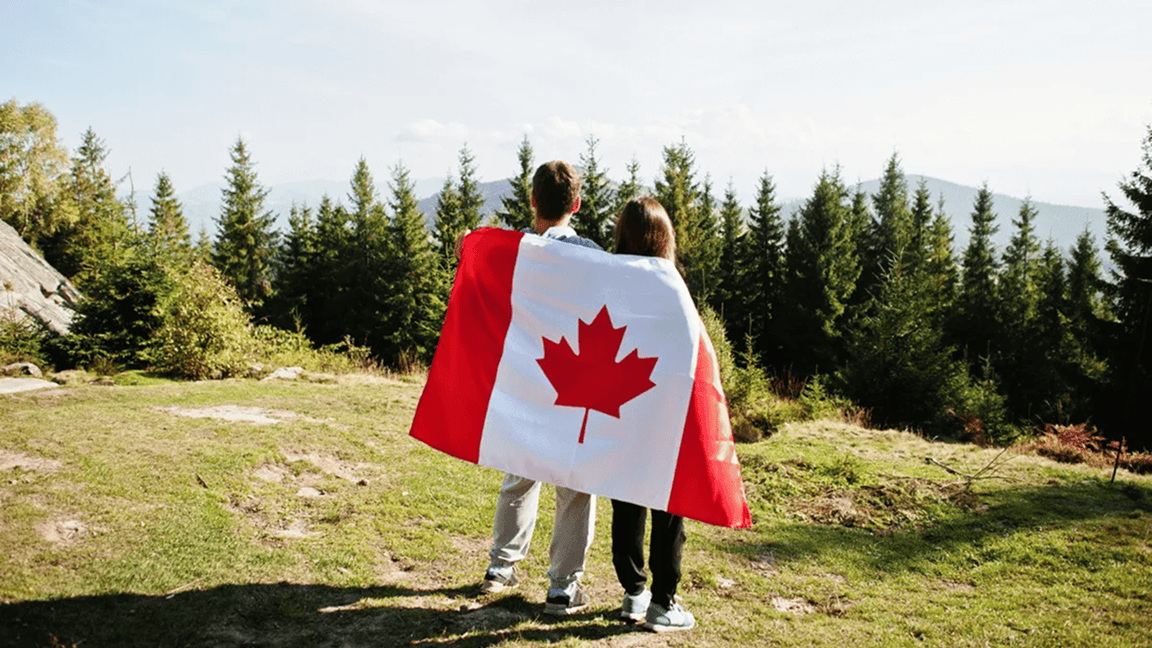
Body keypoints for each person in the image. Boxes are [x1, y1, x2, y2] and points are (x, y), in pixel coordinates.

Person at [475, 160, 601, 616]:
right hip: (574, 383)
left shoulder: (518, 250)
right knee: (574, 484)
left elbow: (473, 260)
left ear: (532, 201)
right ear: (577, 205)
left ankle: (500, 567)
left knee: (519, 472)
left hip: (527, 381)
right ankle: (563, 587)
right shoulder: (592, 254)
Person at [610, 197, 695, 632]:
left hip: (620, 406)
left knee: (625, 495)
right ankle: (663, 602)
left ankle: (633, 592)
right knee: (668, 505)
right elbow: (690, 349)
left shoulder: (611, 278)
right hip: (664, 408)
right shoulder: (670, 283)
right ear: (664, 238)